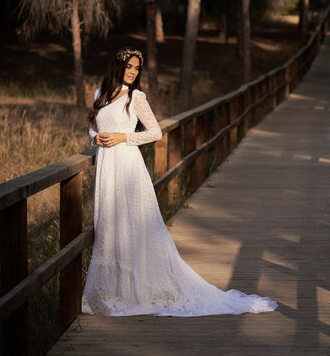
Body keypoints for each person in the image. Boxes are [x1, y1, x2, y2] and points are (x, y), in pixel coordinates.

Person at [82, 47, 278, 316]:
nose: (133, 72)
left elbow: (154, 133)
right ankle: (112, 290)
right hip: (106, 166)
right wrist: (96, 138)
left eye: (137, 68)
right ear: (118, 65)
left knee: (131, 223)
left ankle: (136, 289)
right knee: (109, 224)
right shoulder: (100, 94)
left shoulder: (137, 98)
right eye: (129, 66)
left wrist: (122, 137)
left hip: (127, 164)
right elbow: (93, 126)